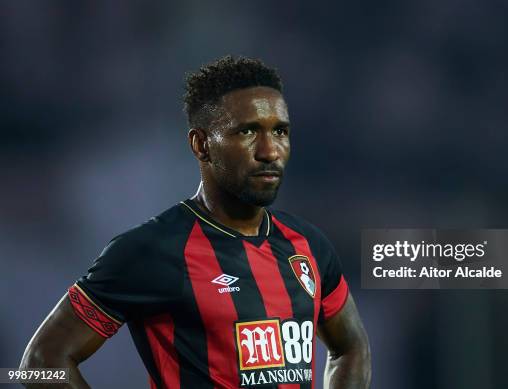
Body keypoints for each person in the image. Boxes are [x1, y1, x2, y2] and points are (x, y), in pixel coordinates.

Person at [20, 56, 371, 389]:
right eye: (248, 132)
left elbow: (350, 348)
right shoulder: (152, 250)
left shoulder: (308, 244)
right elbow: (40, 363)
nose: (270, 151)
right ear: (201, 144)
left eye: (280, 131)